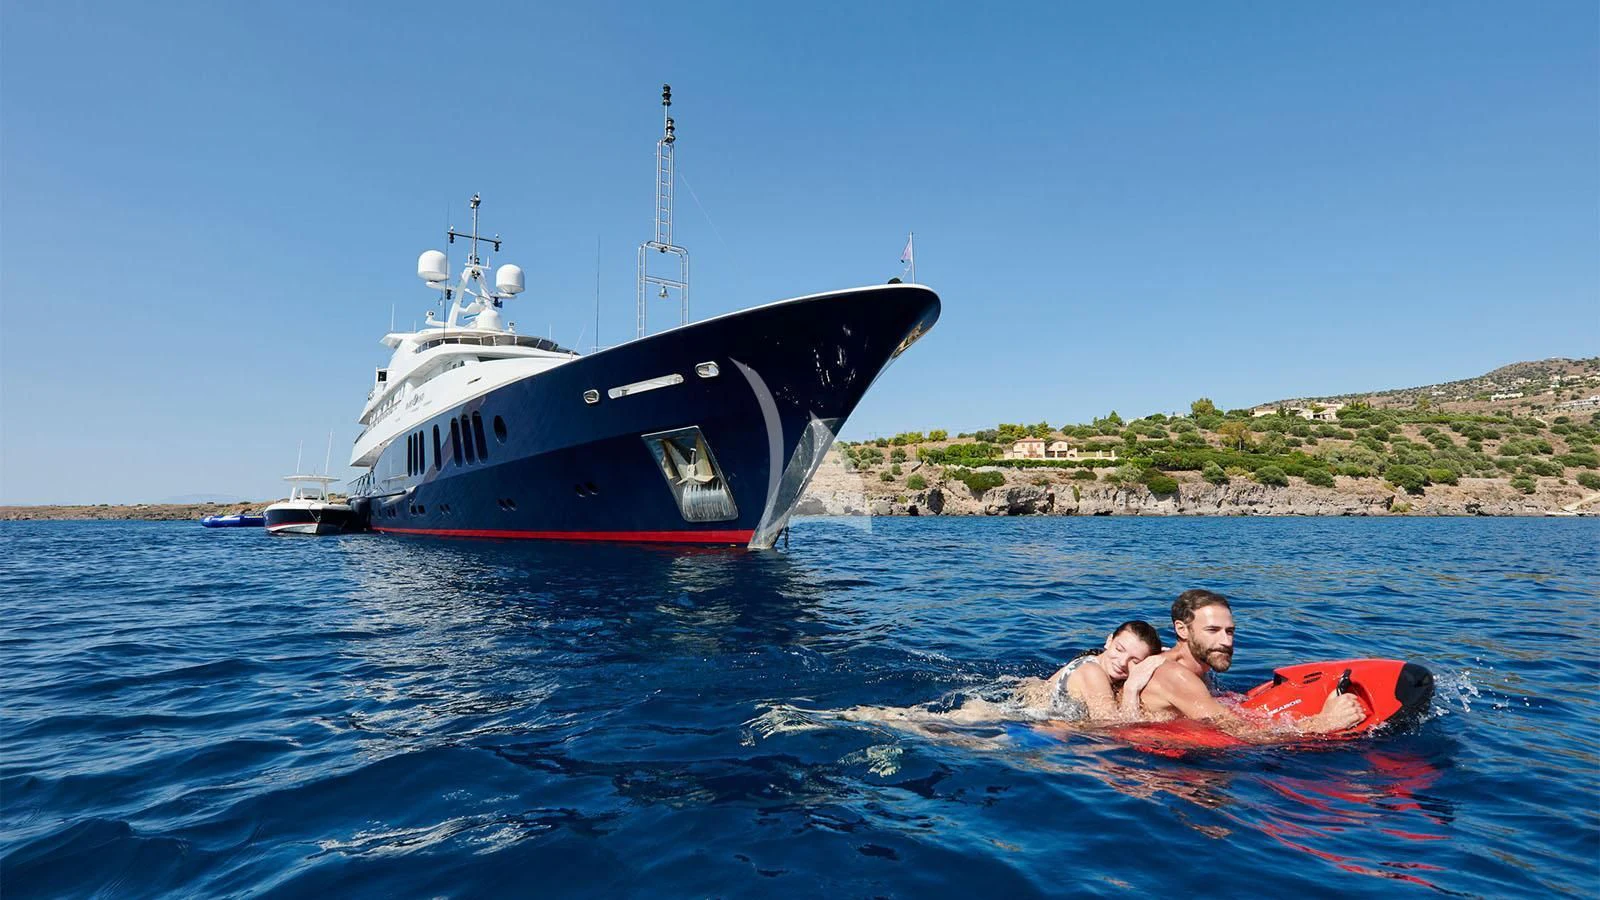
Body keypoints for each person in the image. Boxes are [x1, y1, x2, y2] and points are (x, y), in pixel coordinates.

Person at [842, 620, 1166, 729]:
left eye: (1135, 660)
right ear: (1108, 641)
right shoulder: (1096, 674)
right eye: (1120, 650)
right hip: (1011, 721)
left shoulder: (1088, 659)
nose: (1123, 663)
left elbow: (1043, 687)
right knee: (921, 728)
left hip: (1006, 708)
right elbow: (1112, 727)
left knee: (913, 721)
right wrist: (1136, 687)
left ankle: (854, 716)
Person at [1135, 589, 1363, 736]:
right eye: (1213, 630)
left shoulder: (1196, 667)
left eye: (1230, 631)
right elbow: (1239, 732)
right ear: (1182, 630)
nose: (1226, 641)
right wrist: (1322, 723)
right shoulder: (1175, 674)